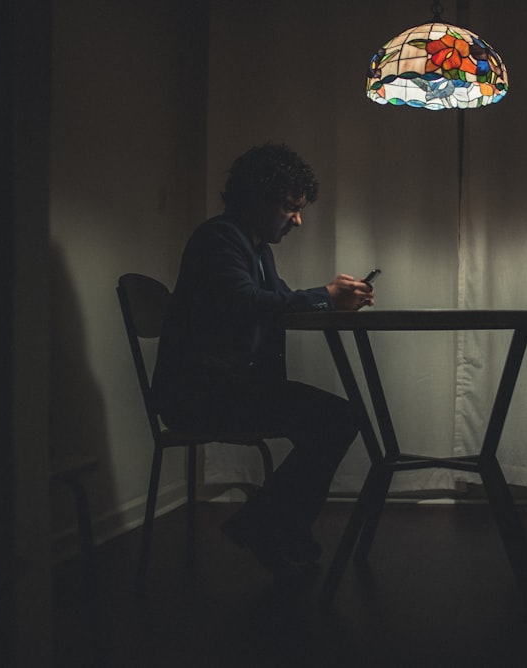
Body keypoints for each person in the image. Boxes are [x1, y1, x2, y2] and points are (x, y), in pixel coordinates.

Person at [152, 143, 374, 581]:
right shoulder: (218, 238)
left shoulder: (253, 248)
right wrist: (324, 299)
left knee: (338, 418)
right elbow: (248, 303)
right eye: (290, 208)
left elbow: (277, 303)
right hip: (201, 395)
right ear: (256, 199)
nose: (297, 220)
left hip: (226, 388)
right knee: (338, 419)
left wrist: (330, 300)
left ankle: (272, 527)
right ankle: (271, 527)